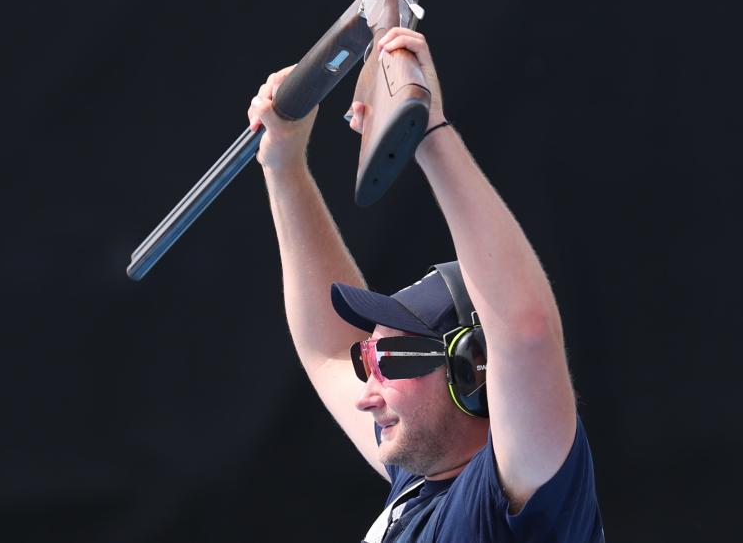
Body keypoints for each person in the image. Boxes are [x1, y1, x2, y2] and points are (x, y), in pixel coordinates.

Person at [246, 28, 604, 542]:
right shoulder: (419, 477)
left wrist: (425, 129)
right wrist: (283, 165)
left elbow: (525, 332)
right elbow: (326, 349)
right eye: (368, 361)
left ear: (472, 369)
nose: (367, 397)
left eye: (387, 365)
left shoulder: (512, 495)